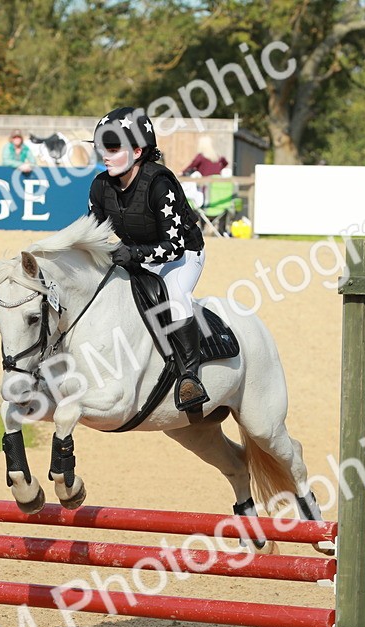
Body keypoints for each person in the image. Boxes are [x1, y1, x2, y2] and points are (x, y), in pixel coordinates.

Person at [87, 106, 210, 412]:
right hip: (139, 253)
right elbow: (91, 234)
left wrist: (134, 253)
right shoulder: (100, 186)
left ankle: (190, 377)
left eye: (113, 149)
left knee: (175, 295)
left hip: (183, 256)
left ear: (137, 151)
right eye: (103, 148)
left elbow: (174, 246)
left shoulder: (159, 184)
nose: (105, 156)